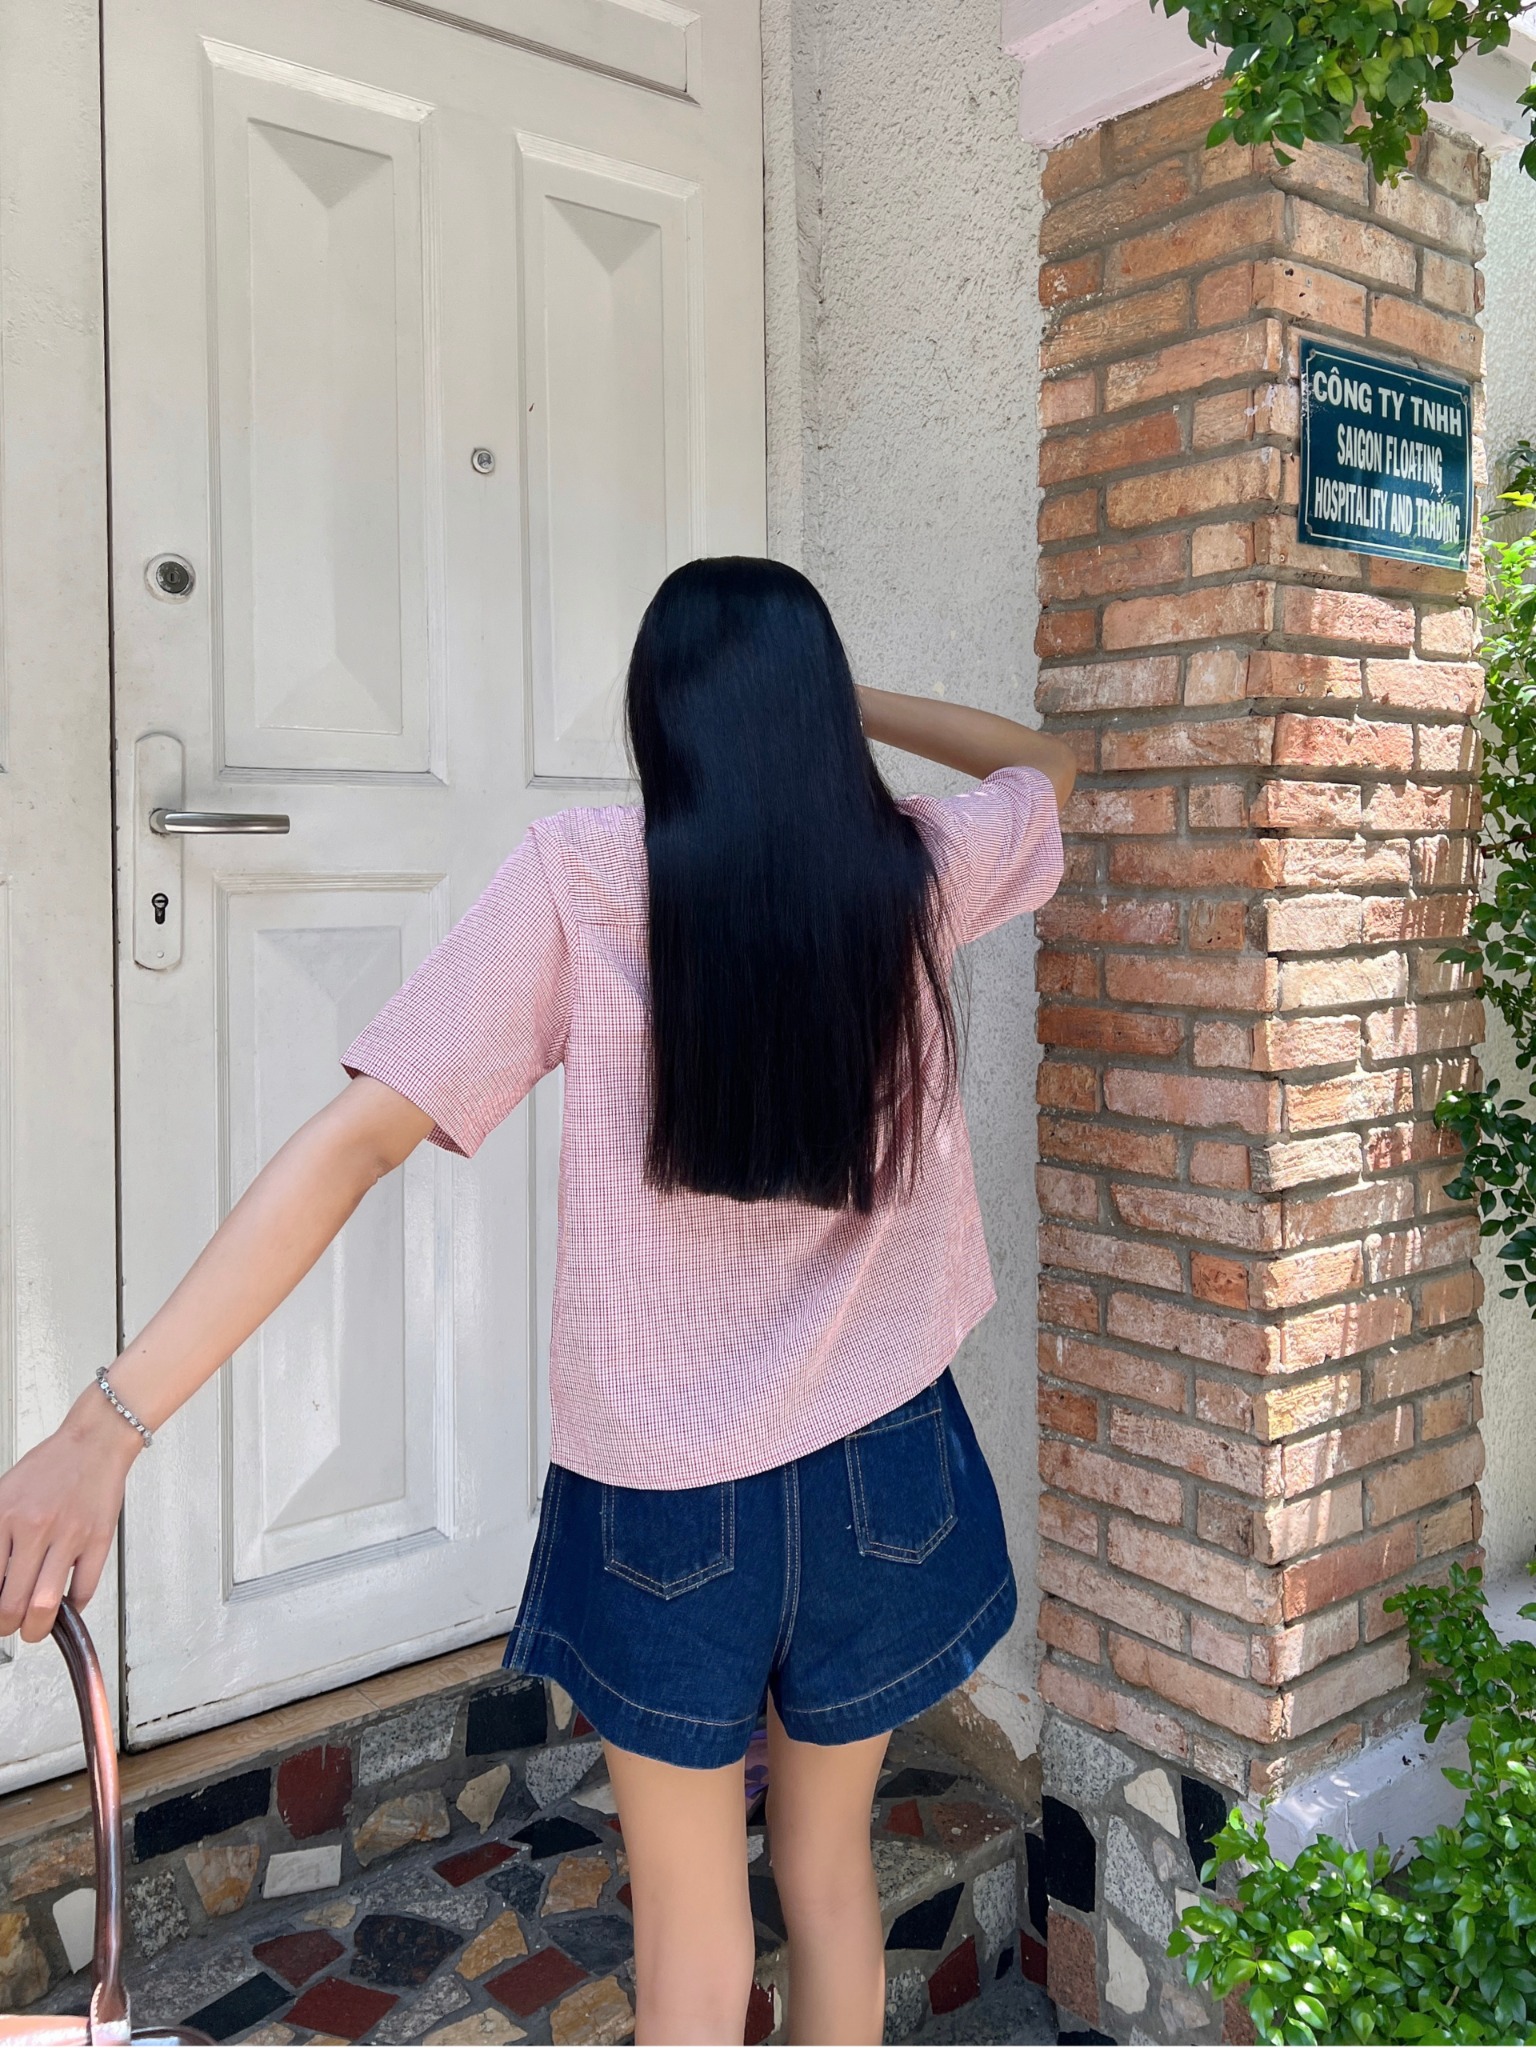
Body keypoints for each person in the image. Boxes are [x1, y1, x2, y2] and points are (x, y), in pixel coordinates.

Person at [0, 558, 1072, 2046]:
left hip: (667, 1501)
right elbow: (1049, 769)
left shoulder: (585, 879)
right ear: (817, 711)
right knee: (833, 1882)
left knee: (692, 1934)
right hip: (889, 1467)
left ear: (657, 721)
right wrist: (846, 704)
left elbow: (353, 1144)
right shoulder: (916, 870)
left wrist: (109, 1425)